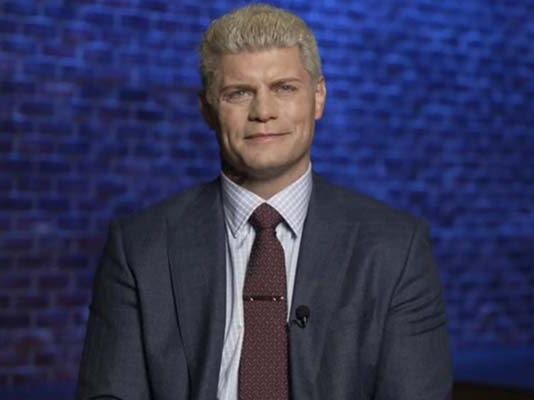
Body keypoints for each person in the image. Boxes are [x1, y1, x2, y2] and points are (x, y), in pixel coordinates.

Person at [77, 4, 452, 400]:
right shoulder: (139, 249)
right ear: (207, 109)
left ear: (318, 97)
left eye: (284, 88)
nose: (263, 112)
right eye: (239, 93)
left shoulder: (396, 250)